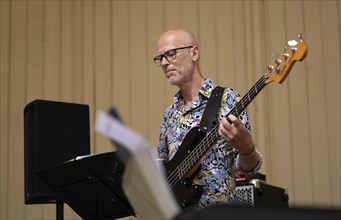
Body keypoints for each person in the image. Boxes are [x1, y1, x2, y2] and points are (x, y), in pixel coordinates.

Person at [154, 29, 263, 209]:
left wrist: (247, 149)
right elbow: (163, 173)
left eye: (171, 54)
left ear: (194, 53)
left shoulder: (227, 100)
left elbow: (248, 170)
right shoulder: (170, 114)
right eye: (160, 58)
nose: (165, 63)